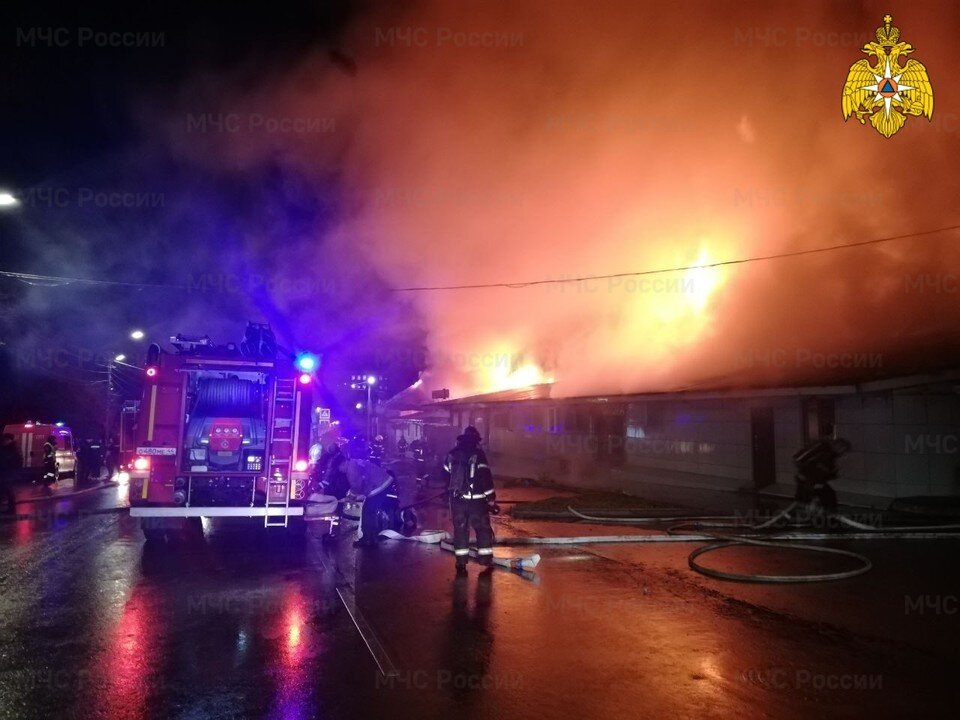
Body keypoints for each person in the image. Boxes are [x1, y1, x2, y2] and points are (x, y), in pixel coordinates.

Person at [442, 426, 499, 574]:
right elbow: (485, 477)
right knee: (482, 529)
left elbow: (445, 475)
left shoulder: (452, 454)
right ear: (475, 440)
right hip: (477, 502)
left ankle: (461, 563)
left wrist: (448, 494)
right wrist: (491, 498)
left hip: (457, 501)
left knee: (460, 530)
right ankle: (485, 559)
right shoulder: (478, 454)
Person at [343, 440, 395, 547]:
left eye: (339, 468)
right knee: (370, 511)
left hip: (379, 485)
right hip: (383, 482)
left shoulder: (351, 469)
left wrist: (351, 496)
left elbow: (357, 485)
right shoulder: (354, 463)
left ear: (342, 463)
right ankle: (372, 537)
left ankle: (367, 538)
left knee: (368, 511)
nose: (340, 470)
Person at [0, 433, 21, 514]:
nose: (4, 441)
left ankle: (11, 509)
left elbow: (17, 461)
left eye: (6, 439)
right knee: (6, 490)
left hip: (8, 473)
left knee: (8, 490)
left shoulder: (12, 449)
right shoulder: (6, 448)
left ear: (9, 440)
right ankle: (10, 509)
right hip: (6, 472)